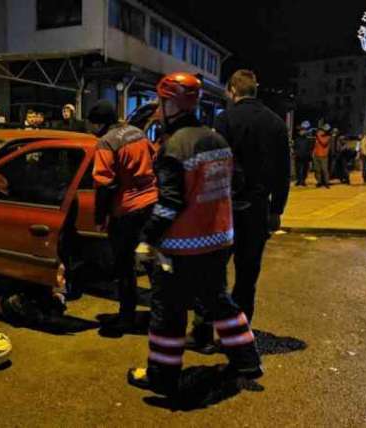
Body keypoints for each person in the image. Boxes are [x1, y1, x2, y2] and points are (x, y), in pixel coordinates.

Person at [126, 72, 262, 396]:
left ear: (171, 103)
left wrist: (146, 239)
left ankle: (161, 377)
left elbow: (169, 204)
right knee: (219, 302)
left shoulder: (175, 146)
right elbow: (237, 183)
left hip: (181, 248)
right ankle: (247, 360)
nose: (157, 109)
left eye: (160, 102)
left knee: (167, 313)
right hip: (217, 243)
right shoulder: (217, 139)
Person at [195, 69, 290, 337]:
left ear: (232, 91)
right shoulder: (276, 123)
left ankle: (203, 330)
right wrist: (277, 210)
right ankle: (237, 335)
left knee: (212, 271)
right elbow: (284, 172)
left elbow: (214, 165)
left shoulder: (225, 119)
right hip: (258, 209)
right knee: (247, 277)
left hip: (225, 208)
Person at [89, 100, 158, 337]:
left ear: (98, 124)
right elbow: (154, 159)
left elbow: (104, 184)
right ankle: (161, 315)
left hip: (126, 210)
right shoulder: (137, 133)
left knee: (125, 266)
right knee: (151, 262)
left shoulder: (106, 142)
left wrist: (100, 216)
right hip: (150, 204)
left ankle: (126, 316)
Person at [293, 122, 313, 186]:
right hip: (298, 157)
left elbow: (309, 149)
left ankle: (303, 181)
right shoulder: (296, 139)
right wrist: (295, 153)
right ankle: (299, 181)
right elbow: (294, 147)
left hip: (305, 157)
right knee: (298, 170)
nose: (302, 132)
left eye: (303, 131)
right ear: (299, 132)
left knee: (305, 170)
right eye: (301, 131)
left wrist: (310, 158)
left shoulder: (307, 140)